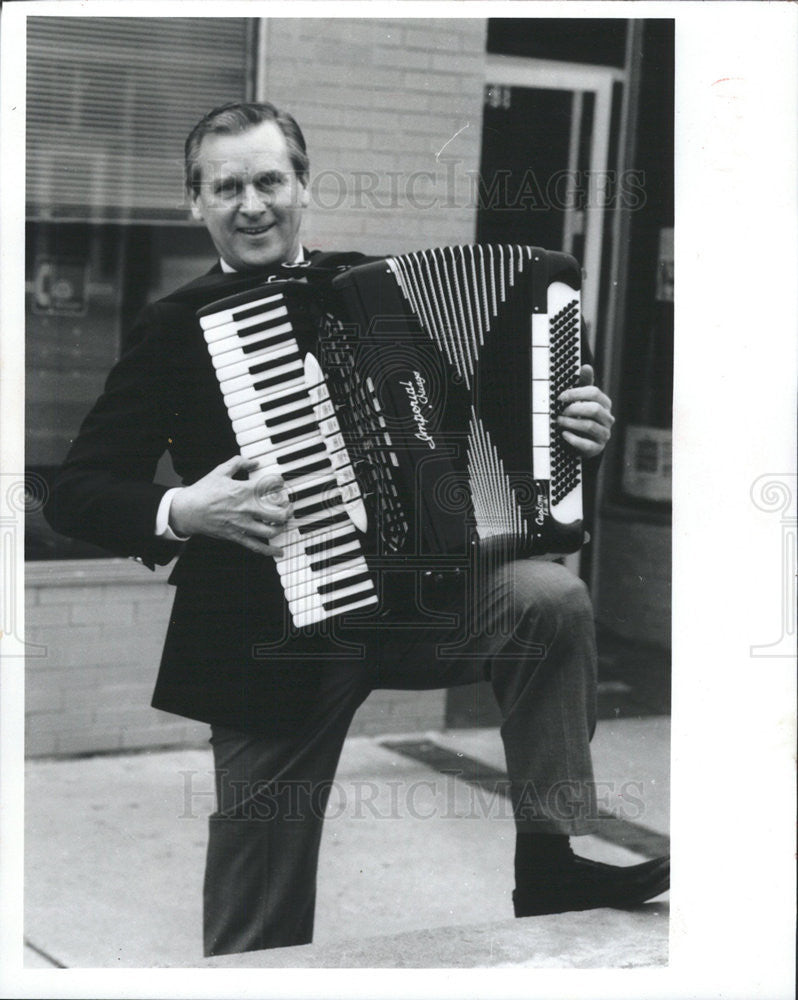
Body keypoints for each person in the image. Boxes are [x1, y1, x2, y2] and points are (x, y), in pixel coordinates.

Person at [45, 101, 669, 957]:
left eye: (270, 180)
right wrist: (184, 508)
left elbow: (499, 441)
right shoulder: (174, 327)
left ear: (303, 186)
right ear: (195, 204)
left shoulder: (380, 289)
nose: (252, 203)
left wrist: (572, 431)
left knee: (550, 600)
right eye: (226, 188)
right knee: (255, 916)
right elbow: (75, 490)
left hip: (419, 604)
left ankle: (550, 857)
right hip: (271, 633)